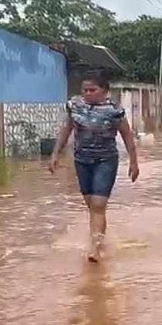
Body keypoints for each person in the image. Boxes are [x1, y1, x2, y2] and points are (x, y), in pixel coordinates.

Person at [48, 71, 139, 263]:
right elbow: (67, 129)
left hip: (105, 161)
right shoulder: (75, 106)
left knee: (98, 204)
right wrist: (55, 154)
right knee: (92, 205)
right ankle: (100, 238)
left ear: (105, 91)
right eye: (85, 90)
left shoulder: (114, 110)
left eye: (92, 90)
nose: (88, 93)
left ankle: (96, 249)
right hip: (82, 161)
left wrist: (133, 161)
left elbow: (127, 135)